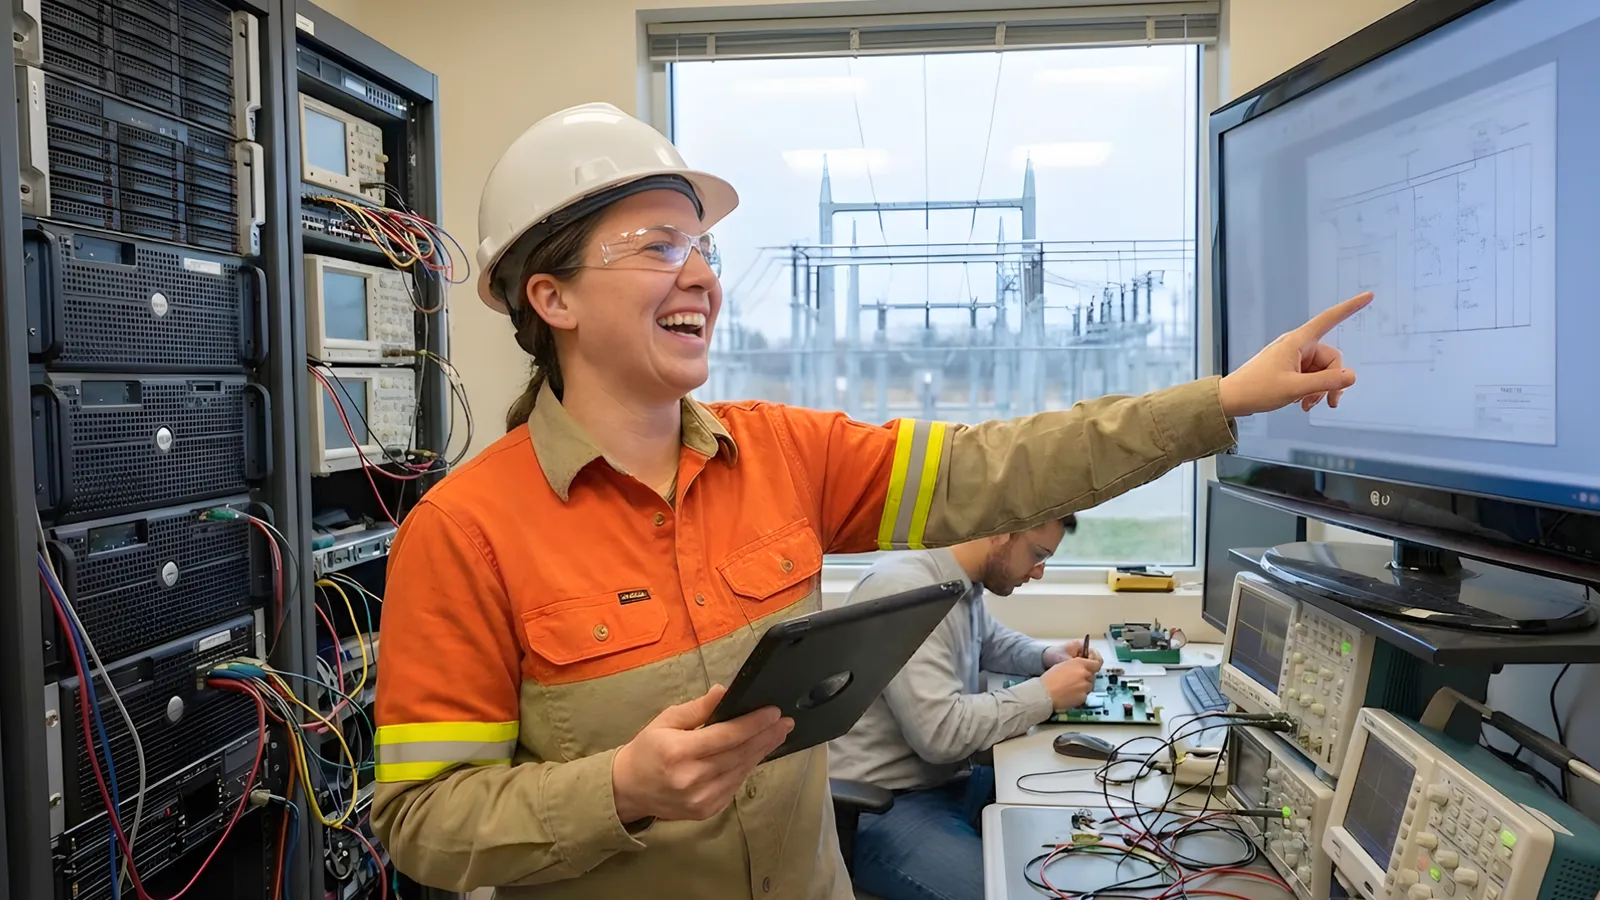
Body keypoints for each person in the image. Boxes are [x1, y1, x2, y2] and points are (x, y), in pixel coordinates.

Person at [370, 99, 1372, 900]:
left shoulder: (786, 455)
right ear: (553, 298)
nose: (704, 277)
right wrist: (618, 790)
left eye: (705, 249)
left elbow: (1012, 465)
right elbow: (421, 826)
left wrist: (1224, 402)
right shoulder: (463, 533)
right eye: (660, 245)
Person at [828, 515, 1106, 900]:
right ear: (1004, 530)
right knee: (1015, 894)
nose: (1039, 572)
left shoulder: (961, 581)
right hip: (887, 807)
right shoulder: (905, 589)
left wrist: (1047, 655)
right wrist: (1046, 694)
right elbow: (941, 735)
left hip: (949, 783)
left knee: (1079, 813)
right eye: (1038, 554)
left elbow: (988, 641)